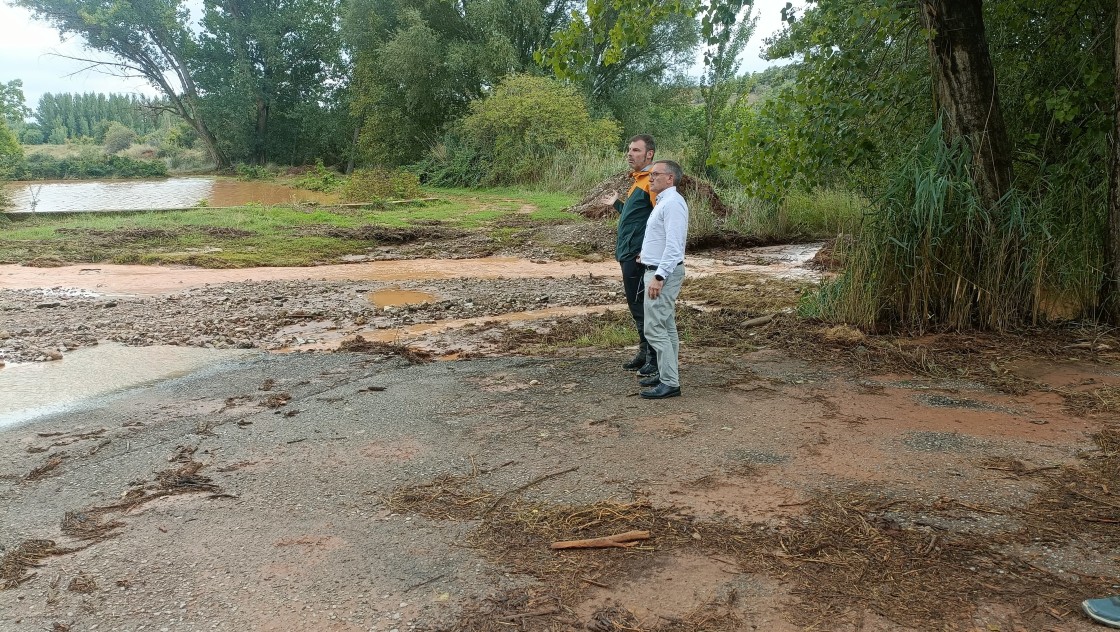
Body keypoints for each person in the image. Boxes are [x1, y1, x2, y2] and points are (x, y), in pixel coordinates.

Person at [599, 135, 659, 377]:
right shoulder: (638, 181)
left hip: (638, 256)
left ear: (649, 154)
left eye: (635, 150)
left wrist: (647, 251)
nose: (629, 154)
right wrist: (616, 204)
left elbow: (658, 220)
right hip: (627, 252)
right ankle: (644, 353)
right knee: (636, 306)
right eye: (629, 150)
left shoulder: (652, 182)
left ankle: (652, 359)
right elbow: (634, 216)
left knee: (644, 308)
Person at [636, 159, 687, 399]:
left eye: (656, 174)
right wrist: (645, 255)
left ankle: (670, 382)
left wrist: (658, 276)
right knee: (666, 326)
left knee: (654, 327)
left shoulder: (673, 204)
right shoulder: (664, 202)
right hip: (657, 268)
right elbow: (661, 239)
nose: (651, 177)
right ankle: (668, 374)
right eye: (650, 174)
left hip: (661, 274)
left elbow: (675, 247)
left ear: (670, 178)